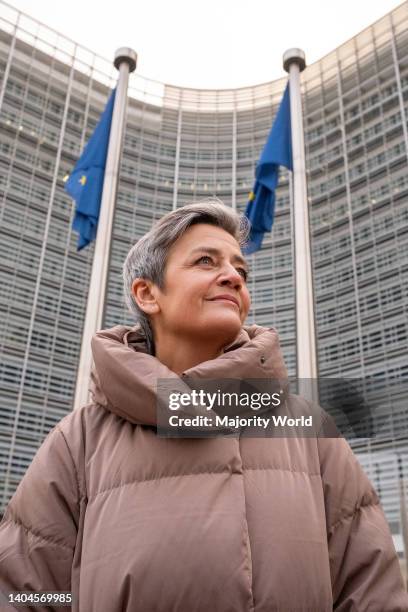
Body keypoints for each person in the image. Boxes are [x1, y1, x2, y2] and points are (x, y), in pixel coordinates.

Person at [0, 199, 407, 611]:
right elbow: (25, 595)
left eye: (240, 270)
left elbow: (371, 593)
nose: (232, 276)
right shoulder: (78, 442)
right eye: (206, 262)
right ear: (147, 293)